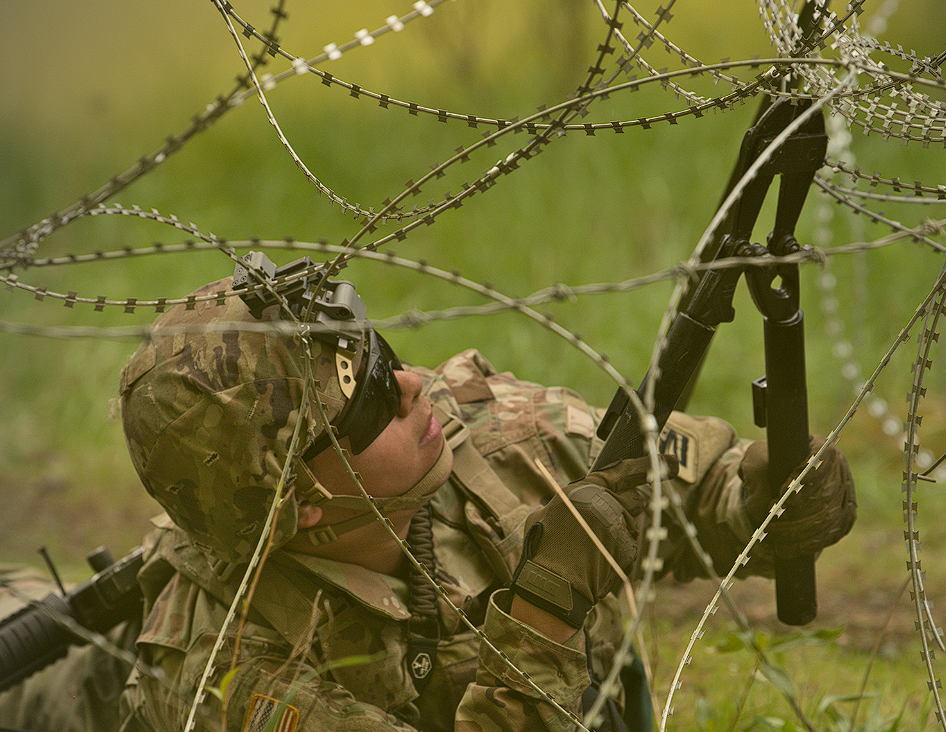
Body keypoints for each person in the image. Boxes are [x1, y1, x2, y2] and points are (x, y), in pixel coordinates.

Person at [1, 255, 856, 732]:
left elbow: (681, 493)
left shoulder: (479, 434)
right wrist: (548, 615)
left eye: (379, 356)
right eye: (371, 402)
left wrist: (770, 493)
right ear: (301, 504)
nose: (414, 386)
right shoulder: (234, 681)